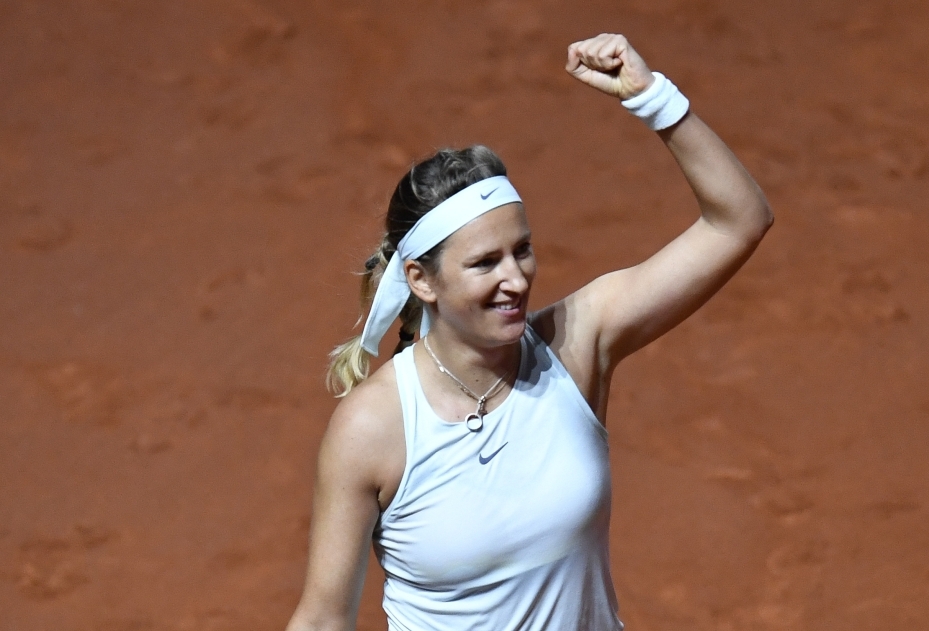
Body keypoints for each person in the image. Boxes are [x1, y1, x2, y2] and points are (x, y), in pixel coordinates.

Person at [286, 33, 772, 631]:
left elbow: (739, 220)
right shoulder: (374, 428)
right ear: (422, 280)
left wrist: (654, 99)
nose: (515, 279)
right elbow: (324, 619)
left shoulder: (575, 344)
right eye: (485, 263)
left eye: (523, 251)